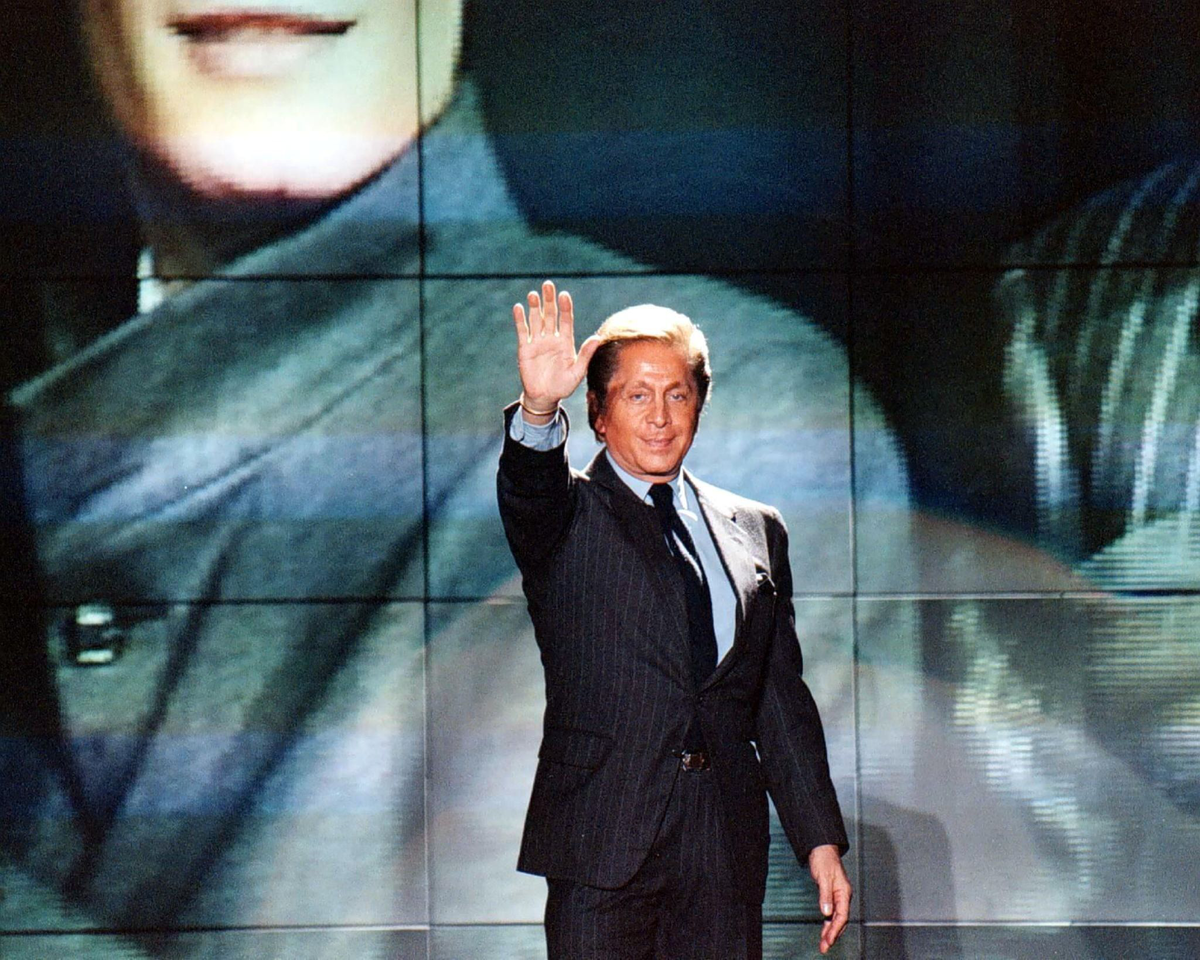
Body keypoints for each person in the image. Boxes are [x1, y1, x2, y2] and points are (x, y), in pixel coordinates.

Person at [497, 280, 853, 958]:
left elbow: (777, 700)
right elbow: (529, 486)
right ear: (599, 413)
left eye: (677, 395)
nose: (660, 417)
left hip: (721, 845)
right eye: (637, 396)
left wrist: (820, 841)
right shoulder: (568, 516)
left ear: (699, 407)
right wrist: (540, 409)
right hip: (604, 841)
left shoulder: (756, 529)